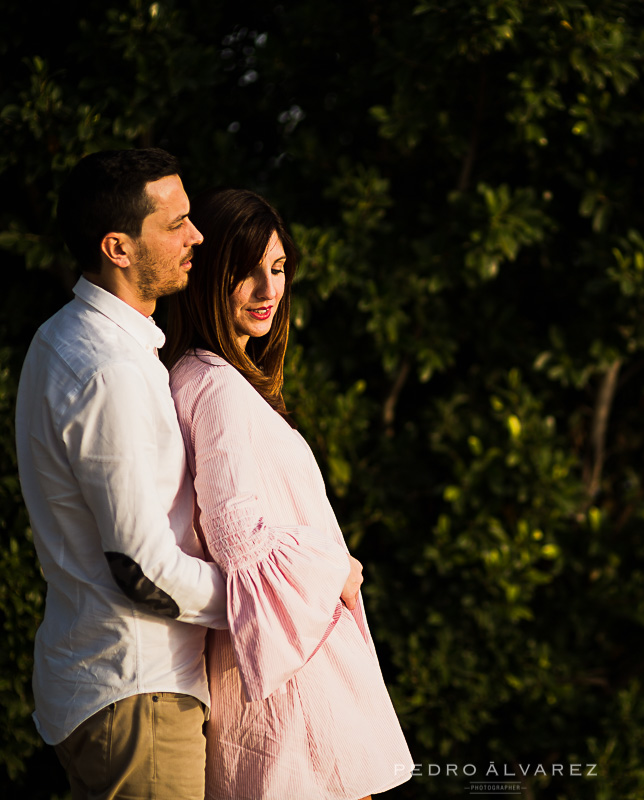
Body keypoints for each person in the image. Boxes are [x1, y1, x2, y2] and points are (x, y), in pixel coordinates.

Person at [161, 188, 414, 800]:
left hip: (287, 668)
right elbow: (236, 537)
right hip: (294, 681)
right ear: (208, 276)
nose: (267, 290)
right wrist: (337, 567)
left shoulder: (206, 379)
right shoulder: (216, 387)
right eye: (244, 271)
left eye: (276, 269)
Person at [15, 148, 229, 800]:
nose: (196, 236)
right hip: (138, 698)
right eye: (176, 224)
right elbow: (143, 570)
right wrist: (269, 603)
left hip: (118, 693)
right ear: (119, 247)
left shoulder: (68, 338)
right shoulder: (109, 369)